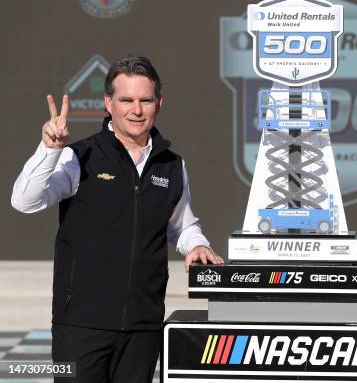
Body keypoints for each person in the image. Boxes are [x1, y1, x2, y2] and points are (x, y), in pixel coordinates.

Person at [11, 55, 224, 383]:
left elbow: (182, 225)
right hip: (80, 326)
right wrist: (48, 149)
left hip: (143, 326)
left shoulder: (171, 165)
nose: (136, 110)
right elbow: (25, 201)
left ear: (159, 103)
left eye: (145, 100)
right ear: (108, 103)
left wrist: (196, 245)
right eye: (126, 100)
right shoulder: (78, 157)